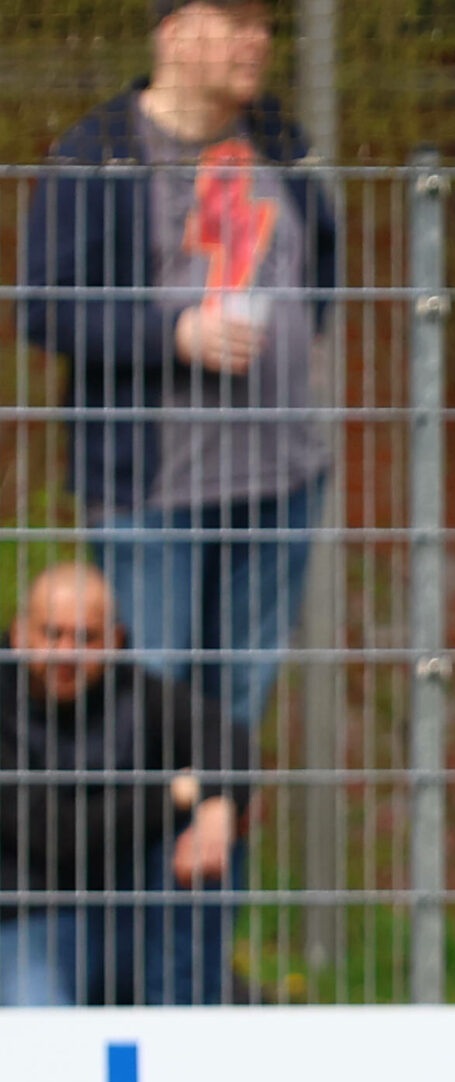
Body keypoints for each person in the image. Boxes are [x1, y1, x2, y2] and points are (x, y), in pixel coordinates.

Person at [23, 0, 335, 738]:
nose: (257, 41)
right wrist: (175, 334)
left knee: (237, 716)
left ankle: (217, 851)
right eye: (235, 21)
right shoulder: (97, 150)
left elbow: (318, 267)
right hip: (152, 493)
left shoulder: (278, 140)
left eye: (264, 25)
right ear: (173, 30)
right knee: (149, 713)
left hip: (281, 480)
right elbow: (45, 308)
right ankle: (143, 855)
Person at [0, 562, 245, 1006]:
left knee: (212, 830)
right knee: (41, 1024)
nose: (66, 654)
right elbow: (53, 833)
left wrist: (214, 806)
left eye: (85, 638)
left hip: (135, 916)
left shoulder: (133, 690)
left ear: (114, 640)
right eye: (51, 634)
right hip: (27, 919)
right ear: (19, 634)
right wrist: (174, 793)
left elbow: (226, 737)